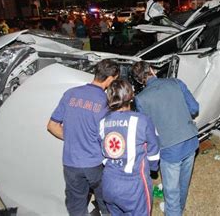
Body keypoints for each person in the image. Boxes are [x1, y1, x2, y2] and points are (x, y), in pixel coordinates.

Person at [47, 59, 119, 216]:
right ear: (109, 79)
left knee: (76, 206)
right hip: (95, 164)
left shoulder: (70, 94)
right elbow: (107, 138)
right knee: (105, 201)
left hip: (71, 163)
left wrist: (74, 137)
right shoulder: (106, 103)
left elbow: (52, 126)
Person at [132, 61, 199, 216]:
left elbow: (146, 129)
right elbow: (195, 108)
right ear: (152, 70)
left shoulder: (141, 99)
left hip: (169, 148)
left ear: (138, 80)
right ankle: (176, 210)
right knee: (183, 183)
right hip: (190, 141)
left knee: (172, 192)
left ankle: (174, 211)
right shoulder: (176, 82)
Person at [99, 79, 160, 216]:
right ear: (131, 97)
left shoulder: (103, 122)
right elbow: (154, 151)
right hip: (133, 186)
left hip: (108, 183)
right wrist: (153, 168)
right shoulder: (142, 120)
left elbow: (102, 152)